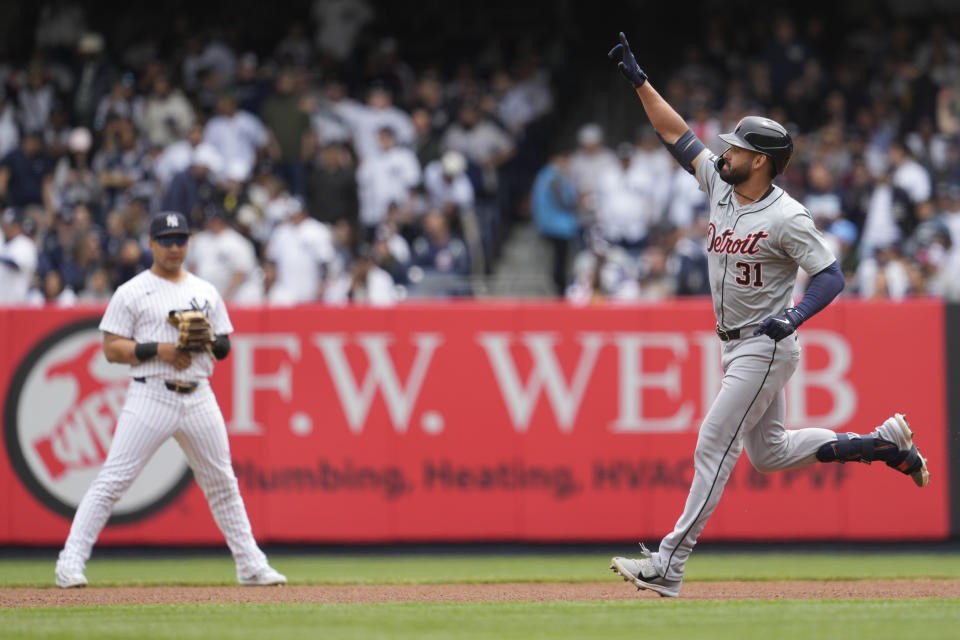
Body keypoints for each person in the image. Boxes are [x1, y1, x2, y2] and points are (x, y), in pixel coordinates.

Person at [605, 32, 930, 599]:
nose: (721, 152)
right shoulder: (720, 186)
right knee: (769, 453)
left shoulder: (788, 216)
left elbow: (831, 275)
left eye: (733, 148)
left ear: (760, 161)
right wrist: (640, 81)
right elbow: (675, 133)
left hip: (766, 341)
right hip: (735, 343)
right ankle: (880, 443)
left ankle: (669, 564)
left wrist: (795, 316)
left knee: (713, 442)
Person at [55, 211, 286, 589]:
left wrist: (208, 338)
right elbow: (111, 349)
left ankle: (250, 565)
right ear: (151, 244)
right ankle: (70, 562)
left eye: (180, 240)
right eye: (167, 240)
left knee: (222, 483)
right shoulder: (131, 291)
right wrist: (160, 349)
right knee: (113, 481)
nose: (174, 247)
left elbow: (224, 347)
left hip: (198, 395)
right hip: (151, 393)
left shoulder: (205, 290)